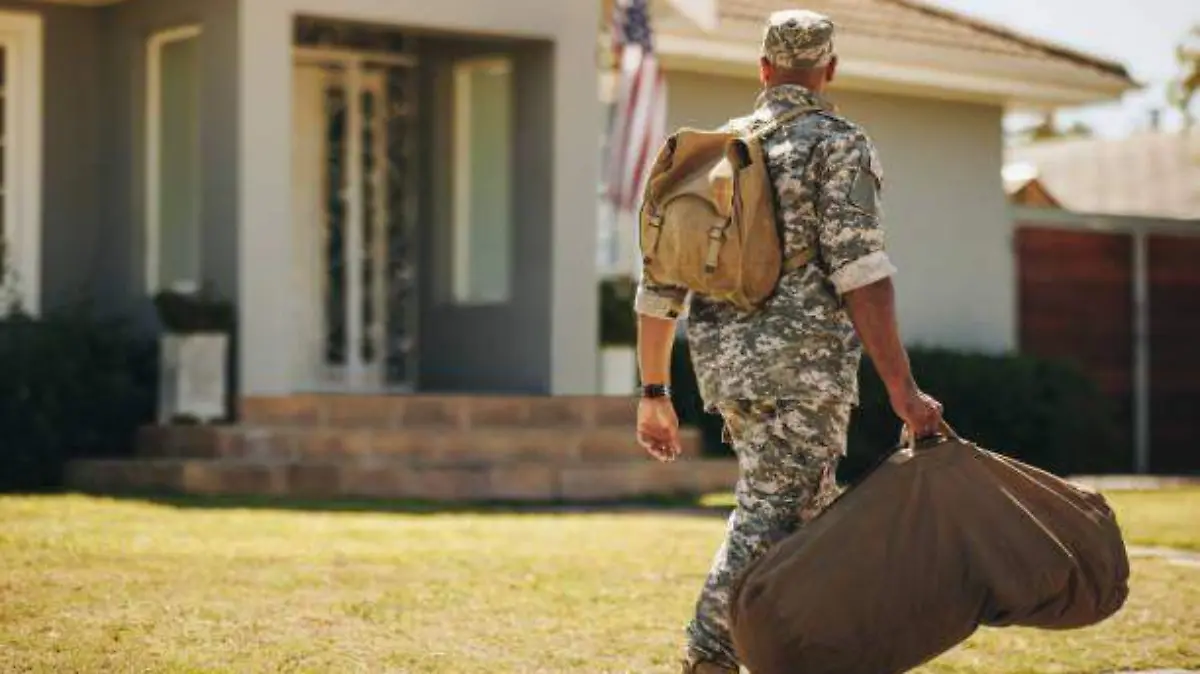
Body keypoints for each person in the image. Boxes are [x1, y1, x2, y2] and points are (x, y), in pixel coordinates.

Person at [632, 9, 945, 674]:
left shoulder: (718, 152)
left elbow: (660, 282)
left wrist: (655, 392)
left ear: (764, 68)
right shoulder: (837, 143)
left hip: (725, 374)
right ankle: (706, 657)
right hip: (803, 372)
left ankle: (815, 656)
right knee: (771, 511)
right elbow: (861, 273)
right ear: (829, 70)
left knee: (808, 512)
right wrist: (904, 389)